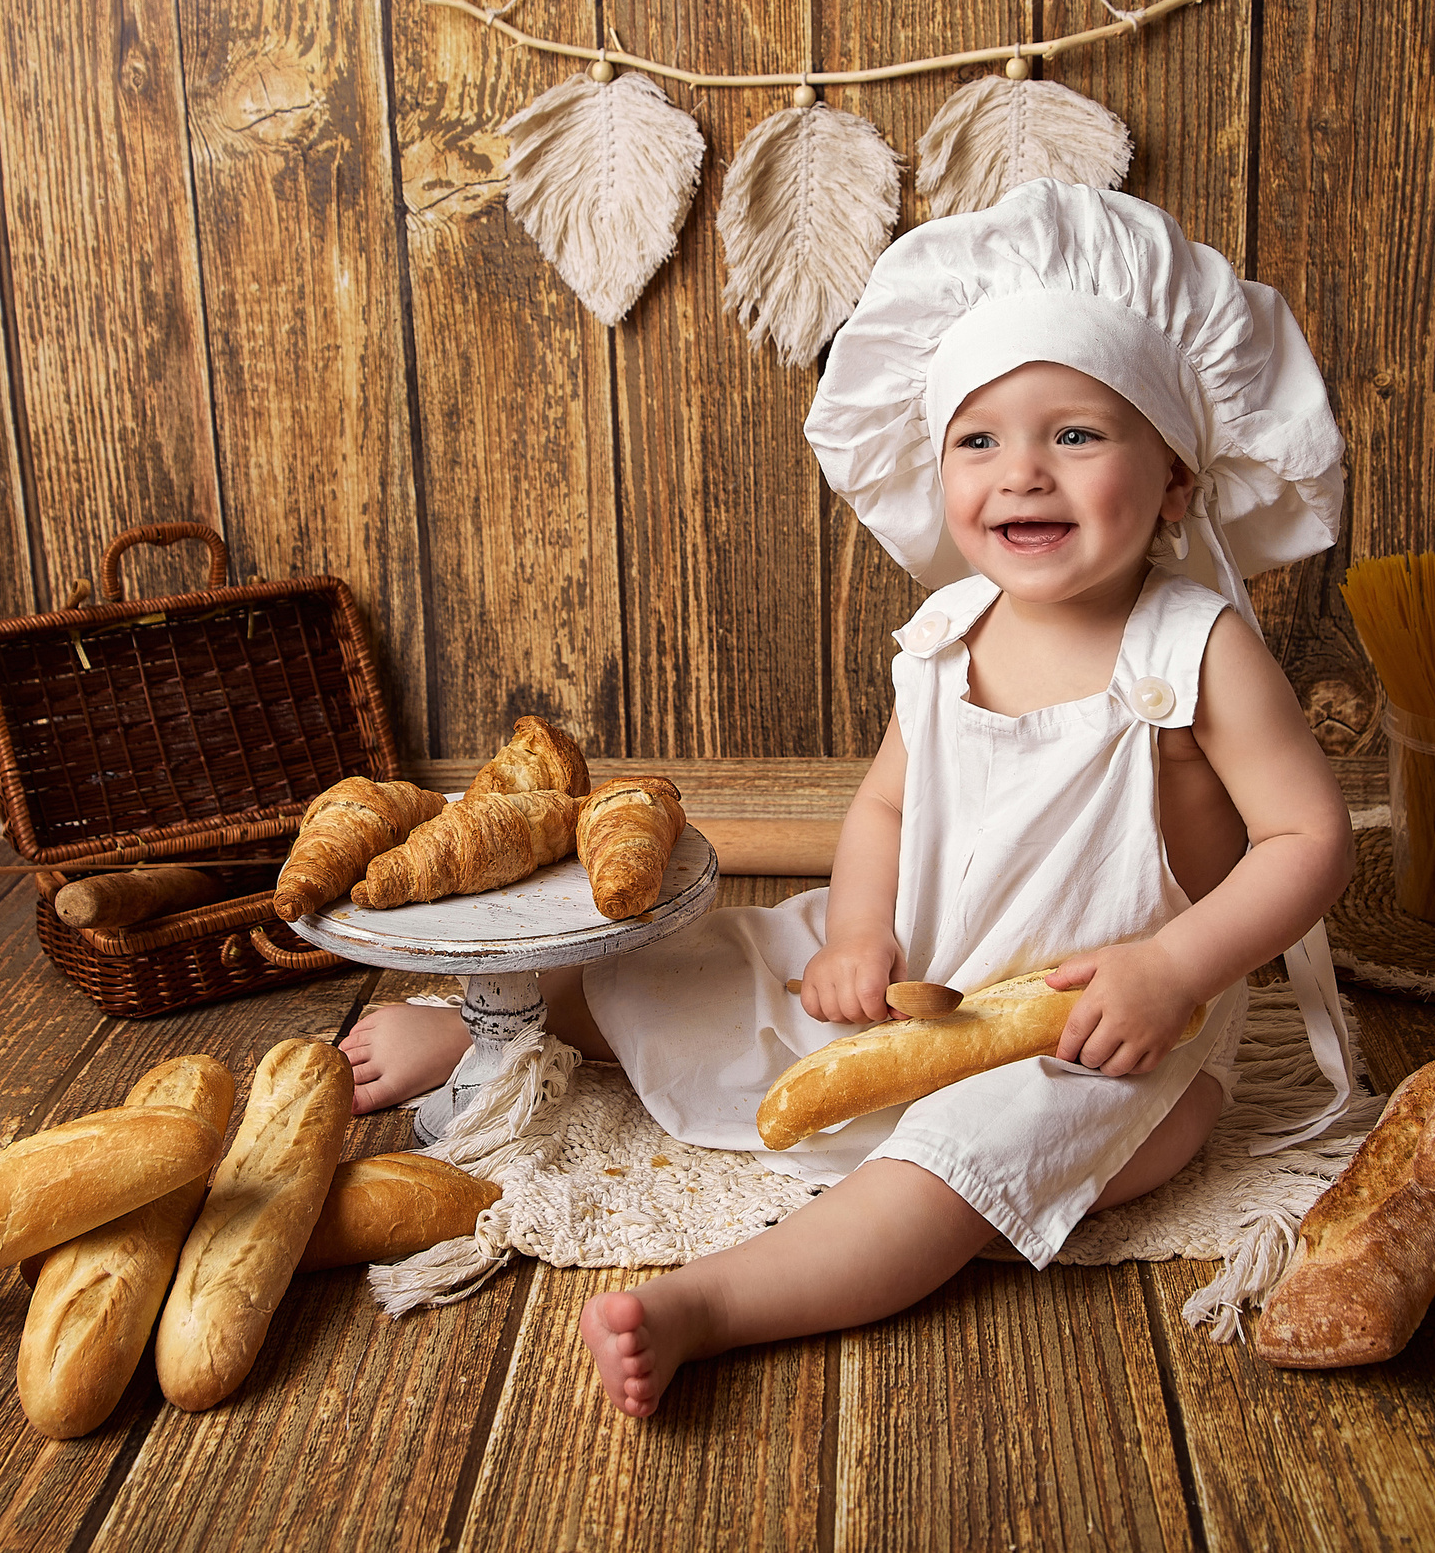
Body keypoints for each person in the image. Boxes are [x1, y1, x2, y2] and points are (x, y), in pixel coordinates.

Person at [338, 180, 1360, 1417]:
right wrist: (864, 934)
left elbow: (1307, 840)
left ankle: (715, 1302)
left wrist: (1178, 968)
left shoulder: (1194, 648)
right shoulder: (944, 635)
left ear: (1178, 483)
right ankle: (497, 1022)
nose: (1022, 473)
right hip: (917, 964)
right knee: (701, 966)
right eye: (979, 442)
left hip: (1102, 1030)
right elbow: (882, 813)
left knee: (961, 1170)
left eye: (1078, 436)